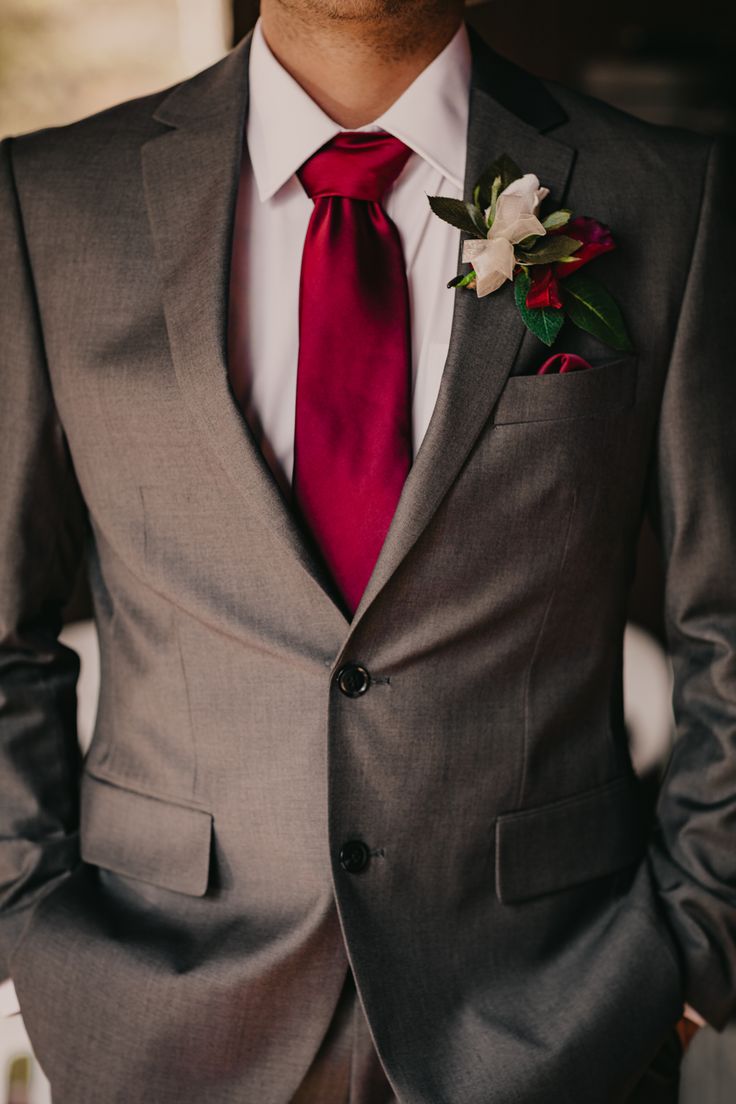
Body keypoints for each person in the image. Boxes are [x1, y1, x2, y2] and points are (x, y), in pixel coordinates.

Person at [0, 0, 734, 1100]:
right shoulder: (45, 201)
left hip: (555, 1018)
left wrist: (690, 957)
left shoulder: (673, 197)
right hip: (158, 1018)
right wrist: (33, 932)